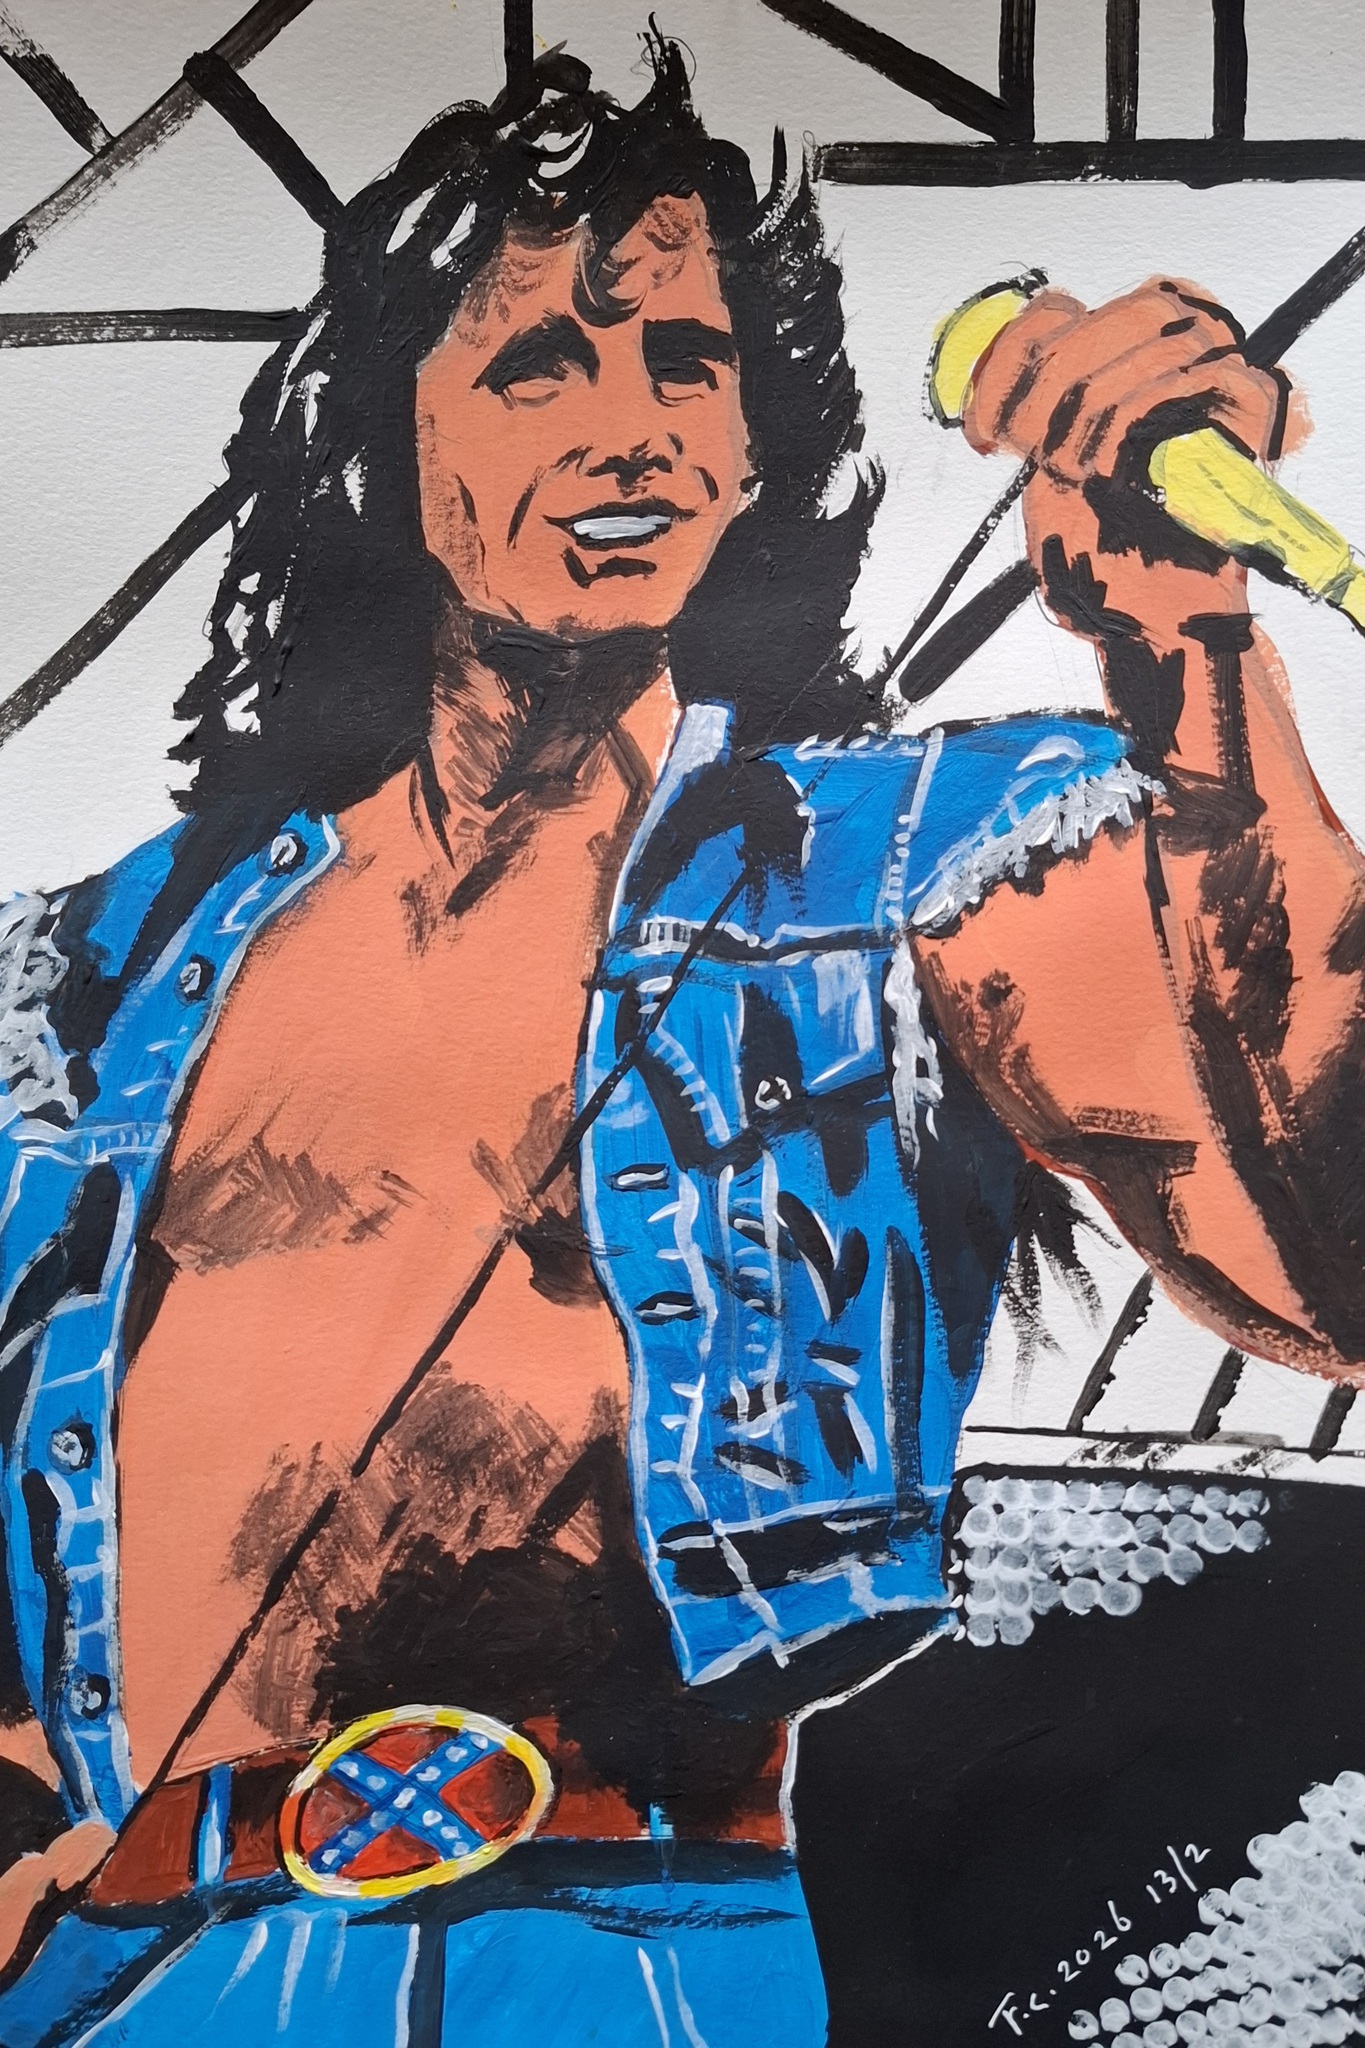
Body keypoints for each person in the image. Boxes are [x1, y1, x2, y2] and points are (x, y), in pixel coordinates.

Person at [0, 33, 1360, 2047]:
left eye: (688, 366)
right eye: (540, 367)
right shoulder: (103, 966)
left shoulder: (906, 860)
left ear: (749, 450)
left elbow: (1326, 1261)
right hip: (130, 1958)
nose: (630, 432)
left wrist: (1188, 652)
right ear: (380, 439)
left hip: (619, 1942)